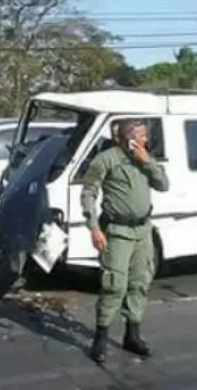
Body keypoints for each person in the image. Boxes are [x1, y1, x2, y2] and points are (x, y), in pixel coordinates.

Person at [80, 119, 170, 363]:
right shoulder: (107, 159)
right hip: (117, 231)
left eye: (145, 135)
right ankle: (100, 338)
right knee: (114, 285)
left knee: (140, 282)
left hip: (142, 230)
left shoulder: (145, 159)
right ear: (128, 138)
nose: (145, 140)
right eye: (141, 136)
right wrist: (94, 229)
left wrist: (147, 161)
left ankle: (132, 336)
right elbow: (88, 193)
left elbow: (163, 185)